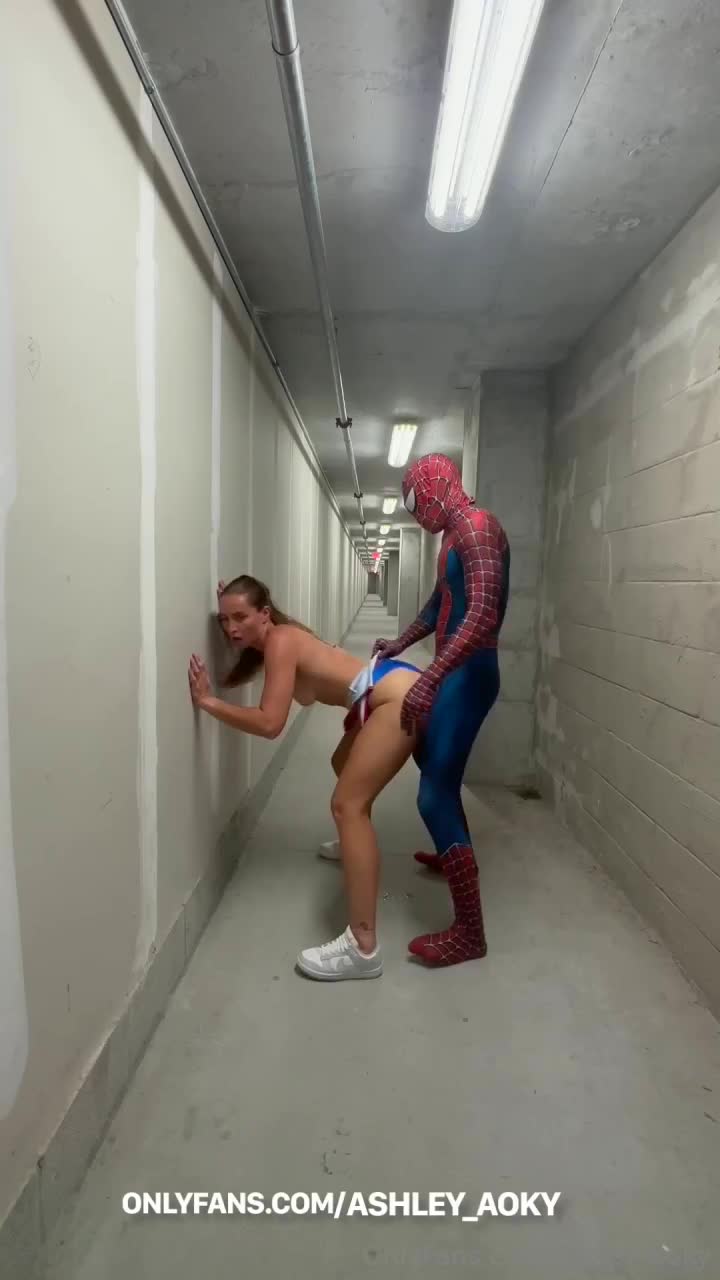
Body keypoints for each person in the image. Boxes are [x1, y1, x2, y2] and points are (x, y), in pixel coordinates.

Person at [187, 575, 422, 981]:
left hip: (394, 695)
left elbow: (269, 723)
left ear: (265, 614)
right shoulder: (279, 639)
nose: (231, 628)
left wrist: (209, 702)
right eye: (224, 620)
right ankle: (354, 845)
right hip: (385, 685)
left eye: (241, 617)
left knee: (347, 806)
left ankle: (363, 948)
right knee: (342, 764)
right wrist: (235, 604)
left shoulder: (280, 641)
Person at [372, 454, 510, 967]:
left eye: (415, 500)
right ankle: (451, 849)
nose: (415, 512)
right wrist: (401, 643)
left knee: (433, 795)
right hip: (455, 670)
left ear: (436, 487)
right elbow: (439, 605)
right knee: (433, 762)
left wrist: (432, 675)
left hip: (470, 674)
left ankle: (470, 934)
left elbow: (482, 615)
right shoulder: (454, 535)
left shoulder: (477, 528)